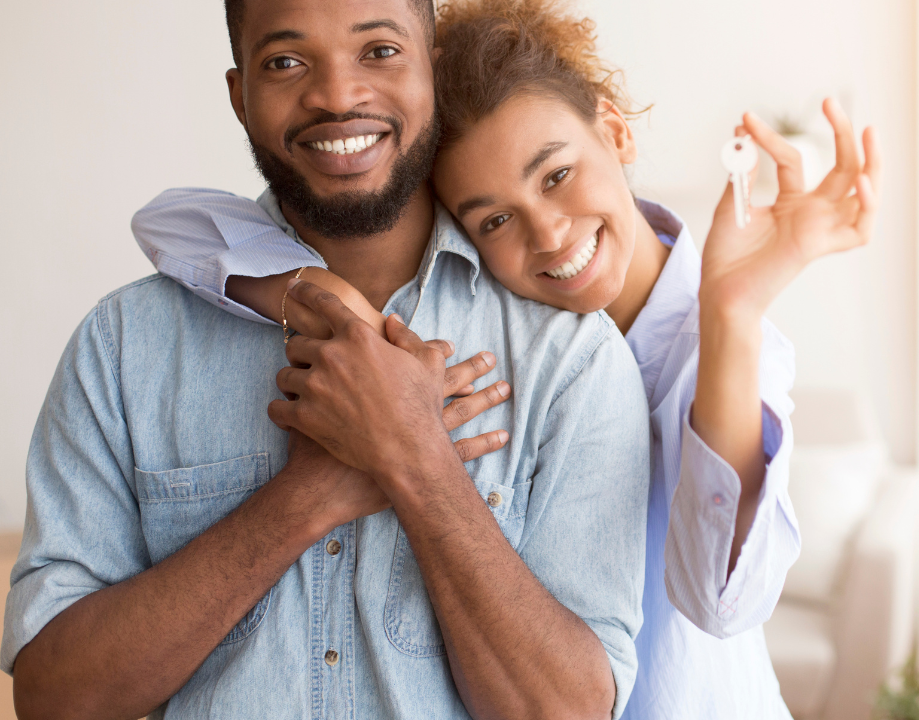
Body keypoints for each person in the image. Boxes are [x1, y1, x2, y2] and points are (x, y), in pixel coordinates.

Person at [129, 0, 882, 717]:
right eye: (495, 218)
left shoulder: (713, 343)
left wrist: (732, 312)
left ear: (614, 132)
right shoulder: (496, 316)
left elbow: (723, 600)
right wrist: (322, 295)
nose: (550, 235)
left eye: (556, 175)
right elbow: (171, 223)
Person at [0, 0, 653, 718]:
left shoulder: (570, 361)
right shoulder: (124, 346)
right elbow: (52, 699)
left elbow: (568, 711)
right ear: (239, 96)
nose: (339, 96)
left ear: (430, 69)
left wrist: (415, 458)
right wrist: (306, 497)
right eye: (285, 62)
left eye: (379, 51)